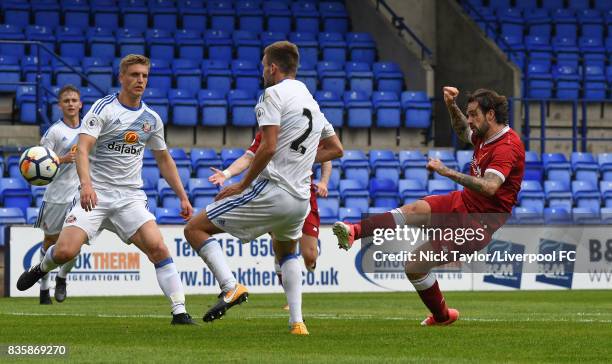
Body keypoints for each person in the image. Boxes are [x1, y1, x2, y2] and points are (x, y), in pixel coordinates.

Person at [17, 54, 196, 325]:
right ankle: (41, 268)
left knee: (159, 248)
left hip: (130, 198)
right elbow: (84, 148)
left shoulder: (151, 119)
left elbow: (164, 159)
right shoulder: (103, 109)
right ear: (121, 78)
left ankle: (179, 311)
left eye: (144, 76)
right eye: (134, 75)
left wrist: (182, 196)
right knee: (65, 252)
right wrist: (86, 185)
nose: (140, 80)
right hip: (95, 194)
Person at [184, 41, 343, 335]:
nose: (262, 73)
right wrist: (302, 157)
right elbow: (336, 148)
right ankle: (297, 322)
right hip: (300, 200)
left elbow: (267, 147)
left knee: (194, 228)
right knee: (286, 252)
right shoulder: (311, 100)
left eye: (263, 67)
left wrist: (240, 185)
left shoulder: (272, 94)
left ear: (272, 67)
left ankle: (230, 287)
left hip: (275, 190)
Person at [333, 87, 525, 326]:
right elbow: (462, 131)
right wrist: (451, 105)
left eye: (474, 114)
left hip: (479, 222)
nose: (470, 120)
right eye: (469, 113)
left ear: (491, 115)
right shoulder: (485, 135)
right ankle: (355, 231)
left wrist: (446, 171)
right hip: (462, 202)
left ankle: (443, 317)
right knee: (414, 209)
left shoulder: (507, 146)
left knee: (414, 265)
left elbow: (489, 187)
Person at [209, 131, 334, 309]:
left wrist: (323, 182)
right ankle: (293, 306)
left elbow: (329, 152)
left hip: (305, 194)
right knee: (282, 246)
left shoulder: (307, 124)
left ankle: (294, 264)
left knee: (310, 255)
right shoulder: (268, 128)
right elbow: (248, 157)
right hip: (274, 193)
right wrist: (227, 174)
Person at [34, 84, 82, 305]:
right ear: (60, 105)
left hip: (79, 195)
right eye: (66, 101)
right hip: (55, 196)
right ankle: (44, 287)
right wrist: (62, 160)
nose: (71, 104)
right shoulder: (54, 132)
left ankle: (62, 279)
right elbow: (38, 165)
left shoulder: (88, 130)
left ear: (80, 104)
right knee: (49, 243)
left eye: (74, 100)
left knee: (75, 244)